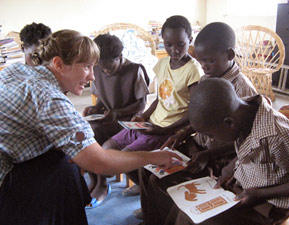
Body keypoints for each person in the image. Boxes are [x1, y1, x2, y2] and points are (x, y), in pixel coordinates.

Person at [0, 29, 181, 225]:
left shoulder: (15, 70)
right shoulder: (50, 99)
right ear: (58, 64)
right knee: (73, 164)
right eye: (86, 67)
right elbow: (99, 162)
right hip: (12, 179)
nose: (93, 77)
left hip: (14, 160)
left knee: (72, 159)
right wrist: (155, 156)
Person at [137, 22, 258, 223]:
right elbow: (202, 116)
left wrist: (208, 155)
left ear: (229, 55)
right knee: (149, 167)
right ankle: (154, 216)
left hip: (221, 159)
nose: (203, 67)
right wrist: (182, 134)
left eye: (209, 61)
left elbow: (247, 142)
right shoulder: (207, 78)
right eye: (200, 62)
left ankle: (167, 214)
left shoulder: (243, 92)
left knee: (166, 183)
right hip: (199, 148)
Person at [167, 78, 289, 225]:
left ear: (229, 123)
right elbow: (252, 152)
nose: (211, 139)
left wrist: (259, 194)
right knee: (181, 207)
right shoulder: (241, 112)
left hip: (271, 204)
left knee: (192, 219)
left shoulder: (278, 135)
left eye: (211, 135)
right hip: (245, 188)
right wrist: (230, 168)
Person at [102, 15, 202, 196]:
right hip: (150, 125)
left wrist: (164, 130)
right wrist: (144, 116)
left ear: (190, 40)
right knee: (107, 148)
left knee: (124, 157)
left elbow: (194, 111)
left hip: (167, 130)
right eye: (169, 44)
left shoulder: (193, 70)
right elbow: (159, 99)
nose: (174, 50)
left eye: (180, 44)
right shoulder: (163, 64)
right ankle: (143, 184)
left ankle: (148, 191)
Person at [83, 33, 150, 208]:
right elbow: (101, 98)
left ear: (120, 58)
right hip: (110, 117)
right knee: (85, 129)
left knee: (96, 131)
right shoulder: (97, 68)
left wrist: (118, 112)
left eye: (109, 68)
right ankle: (96, 179)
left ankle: (102, 184)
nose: (105, 72)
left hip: (128, 120)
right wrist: (96, 108)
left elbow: (141, 104)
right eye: (102, 68)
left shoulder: (135, 70)